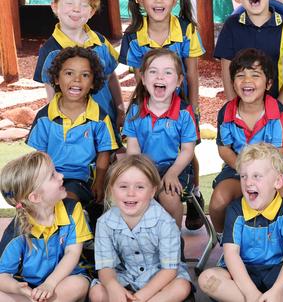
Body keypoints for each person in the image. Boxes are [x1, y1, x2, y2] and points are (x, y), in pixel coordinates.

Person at [213, 0, 283, 214]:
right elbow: (226, 65)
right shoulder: (232, 25)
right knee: (247, 158)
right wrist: (236, 104)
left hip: (278, 111)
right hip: (243, 108)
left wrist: (278, 105)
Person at [120, 0, 206, 230]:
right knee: (150, 147)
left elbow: (191, 71)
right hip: (151, 103)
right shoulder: (133, 35)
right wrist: (141, 107)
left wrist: (194, 105)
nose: (159, 0)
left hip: (181, 104)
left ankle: (195, 193)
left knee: (187, 149)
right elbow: (138, 78)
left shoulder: (186, 29)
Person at [198, 143, 283, 302]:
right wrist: (251, 293)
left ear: (277, 181)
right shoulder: (235, 211)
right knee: (206, 279)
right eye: (243, 176)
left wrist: (277, 290)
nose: (248, 182)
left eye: (257, 176)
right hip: (242, 275)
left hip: (277, 272)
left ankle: (275, 298)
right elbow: (231, 255)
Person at [209, 48, 283, 234]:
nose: (247, 81)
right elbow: (224, 150)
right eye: (240, 75)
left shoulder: (280, 113)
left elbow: (278, 154)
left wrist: (258, 176)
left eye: (255, 75)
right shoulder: (227, 112)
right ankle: (224, 240)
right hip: (237, 170)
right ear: (233, 83)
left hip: (272, 169)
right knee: (218, 202)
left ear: (268, 84)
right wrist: (245, 172)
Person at [89, 155, 192, 302]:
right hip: (125, 276)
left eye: (140, 187)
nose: (131, 193)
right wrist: (113, 287)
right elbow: (105, 267)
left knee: (181, 287)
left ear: (152, 191)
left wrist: (139, 298)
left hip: (159, 276)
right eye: (123, 186)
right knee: (97, 293)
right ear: (111, 189)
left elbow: (169, 270)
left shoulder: (165, 222)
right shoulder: (104, 223)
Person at [27, 47, 119, 205]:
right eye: (69, 73)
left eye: (85, 75)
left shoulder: (100, 118)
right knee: (29, 205)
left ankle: (79, 221)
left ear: (93, 83)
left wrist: (99, 182)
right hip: (50, 178)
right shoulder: (44, 117)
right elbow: (40, 156)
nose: (77, 80)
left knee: (66, 200)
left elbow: (104, 153)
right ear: (56, 79)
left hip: (82, 179)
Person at [33, 0, 124, 129]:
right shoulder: (50, 50)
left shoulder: (100, 41)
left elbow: (111, 77)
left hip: (107, 123)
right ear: (54, 6)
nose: (76, 9)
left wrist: (120, 110)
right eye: (69, 3)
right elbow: (51, 94)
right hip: (75, 129)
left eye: (84, 5)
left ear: (92, 11)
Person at [0, 152, 92, 302]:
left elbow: (72, 253)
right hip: (29, 290)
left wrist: (50, 284)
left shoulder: (72, 210)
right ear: (35, 197)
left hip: (61, 282)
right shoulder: (16, 231)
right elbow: (2, 275)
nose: (61, 176)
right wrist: (19, 289)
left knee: (78, 284)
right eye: (52, 175)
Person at [122, 48, 198, 229]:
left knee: (169, 198)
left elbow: (188, 150)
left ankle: (174, 245)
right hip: (144, 167)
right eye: (153, 71)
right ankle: (142, 244)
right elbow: (133, 150)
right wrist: (142, 176)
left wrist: (172, 173)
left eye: (168, 72)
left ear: (179, 80)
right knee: (134, 197)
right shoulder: (135, 111)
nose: (160, 77)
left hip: (175, 168)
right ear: (143, 77)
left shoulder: (184, 113)